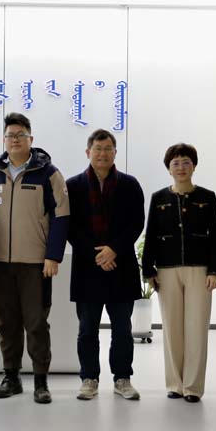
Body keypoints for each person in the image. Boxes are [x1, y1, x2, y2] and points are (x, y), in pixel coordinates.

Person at [0, 112, 69, 404]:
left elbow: (62, 217)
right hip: (0, 262)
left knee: (36, 323)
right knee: (6, 322)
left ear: (31, 138)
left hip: (36, 263)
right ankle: (11, 377)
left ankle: (41, 381)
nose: (15, 140)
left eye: (21, 135)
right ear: (3, 139)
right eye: (10, 135)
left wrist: (53, 256)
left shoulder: (48, 173)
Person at [66, 129, 145, 402]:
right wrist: (96, 254)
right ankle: (89, 378)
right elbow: (69, 226)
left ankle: (122, 378)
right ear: (88, 152)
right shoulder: (73, 186)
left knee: (122, 329)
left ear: (115, 152)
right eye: (98, 149)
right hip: (87, 268)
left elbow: (136, 222)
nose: (103, 154)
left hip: (121, 266)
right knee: (87, 329)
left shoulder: (130, 184)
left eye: (108, 148)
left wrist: (113, 249)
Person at [141, 143, 216, 403]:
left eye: (186, 162)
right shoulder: (159, 198)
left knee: (197, 329)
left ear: (194, 166)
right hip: (166, 270)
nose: (181, 167)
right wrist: (148, 270)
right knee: (172, 328)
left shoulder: (207, 197)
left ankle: (193, 387)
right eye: (175, 163)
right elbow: (151, 234)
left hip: (200, 270)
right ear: (168, 168)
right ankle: (175, 384)